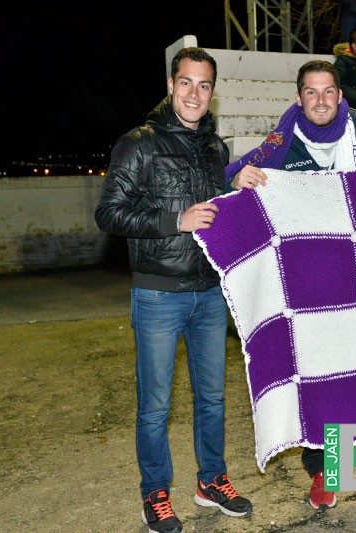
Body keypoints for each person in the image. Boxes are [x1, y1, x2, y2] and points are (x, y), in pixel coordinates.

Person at [225, 60, 356, 510]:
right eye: (312, 92)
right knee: (319, 377)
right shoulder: (280, 144)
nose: (321, 100)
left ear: (340, 96)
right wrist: (235, 177)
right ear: (299, 98)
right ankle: (326, 468)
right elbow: (237, 173)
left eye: (329, 91)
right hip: (308, 284)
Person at [94, 47, 253, 533]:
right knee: (156, 406)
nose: (194, 94)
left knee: (212, 399)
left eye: (204, 85)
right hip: (158, 294)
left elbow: (214, 203)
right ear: (170, 85)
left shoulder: (214, 148)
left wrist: (233, 180)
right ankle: (155, 494)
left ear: (212, 92)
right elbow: (108, 214)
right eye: (186, 83)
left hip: (208, 292)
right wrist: (174, 221)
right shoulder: (137, 144)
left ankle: (211, 480)